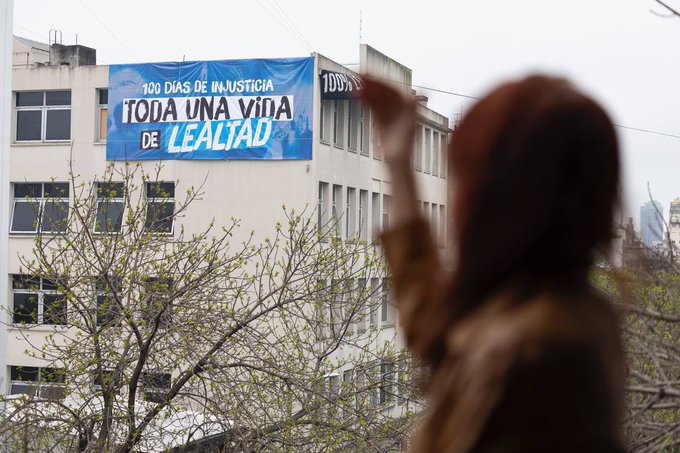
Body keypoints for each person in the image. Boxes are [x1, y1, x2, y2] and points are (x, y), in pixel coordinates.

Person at [359, 75, 625, 452]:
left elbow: (449, 346)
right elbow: (443, 334)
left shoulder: (534, 355)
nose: (456, 194)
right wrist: (399, 162)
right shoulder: (560, 315)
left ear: (499, 200)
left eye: (465, 175)